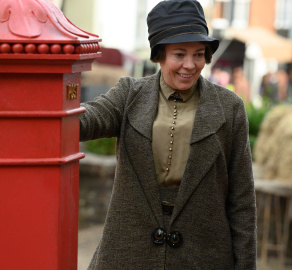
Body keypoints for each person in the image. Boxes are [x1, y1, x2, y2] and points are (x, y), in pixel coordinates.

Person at [79, 1, 256, 269]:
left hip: (204, 253)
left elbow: (242, 200)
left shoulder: (230, 107)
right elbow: (87, 120)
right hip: (129, 252)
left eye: (199, 54)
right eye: (179, 54)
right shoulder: (129, 94)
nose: (190, 65)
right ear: (159, 54)